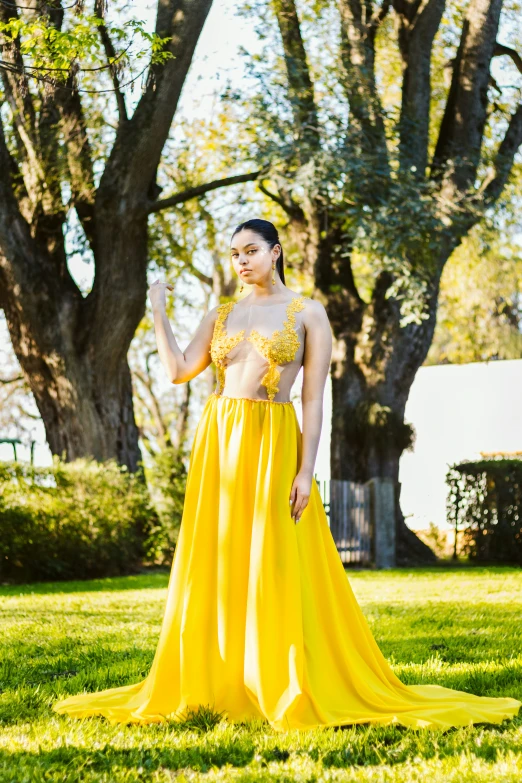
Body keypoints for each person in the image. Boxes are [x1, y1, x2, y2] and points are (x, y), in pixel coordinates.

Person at [53, 218, 521, 732]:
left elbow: (315, 397)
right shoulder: (220, 313)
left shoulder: (308, 313)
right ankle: (219, 675)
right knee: (219, 555)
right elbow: (178, 370)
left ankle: (276, 672)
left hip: (274, 439)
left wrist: (306, 470)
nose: (242, 261)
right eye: (234, 254)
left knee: (273, 556)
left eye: (251, 250)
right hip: (220, 442)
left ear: (275, 252)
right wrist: (160, 312)